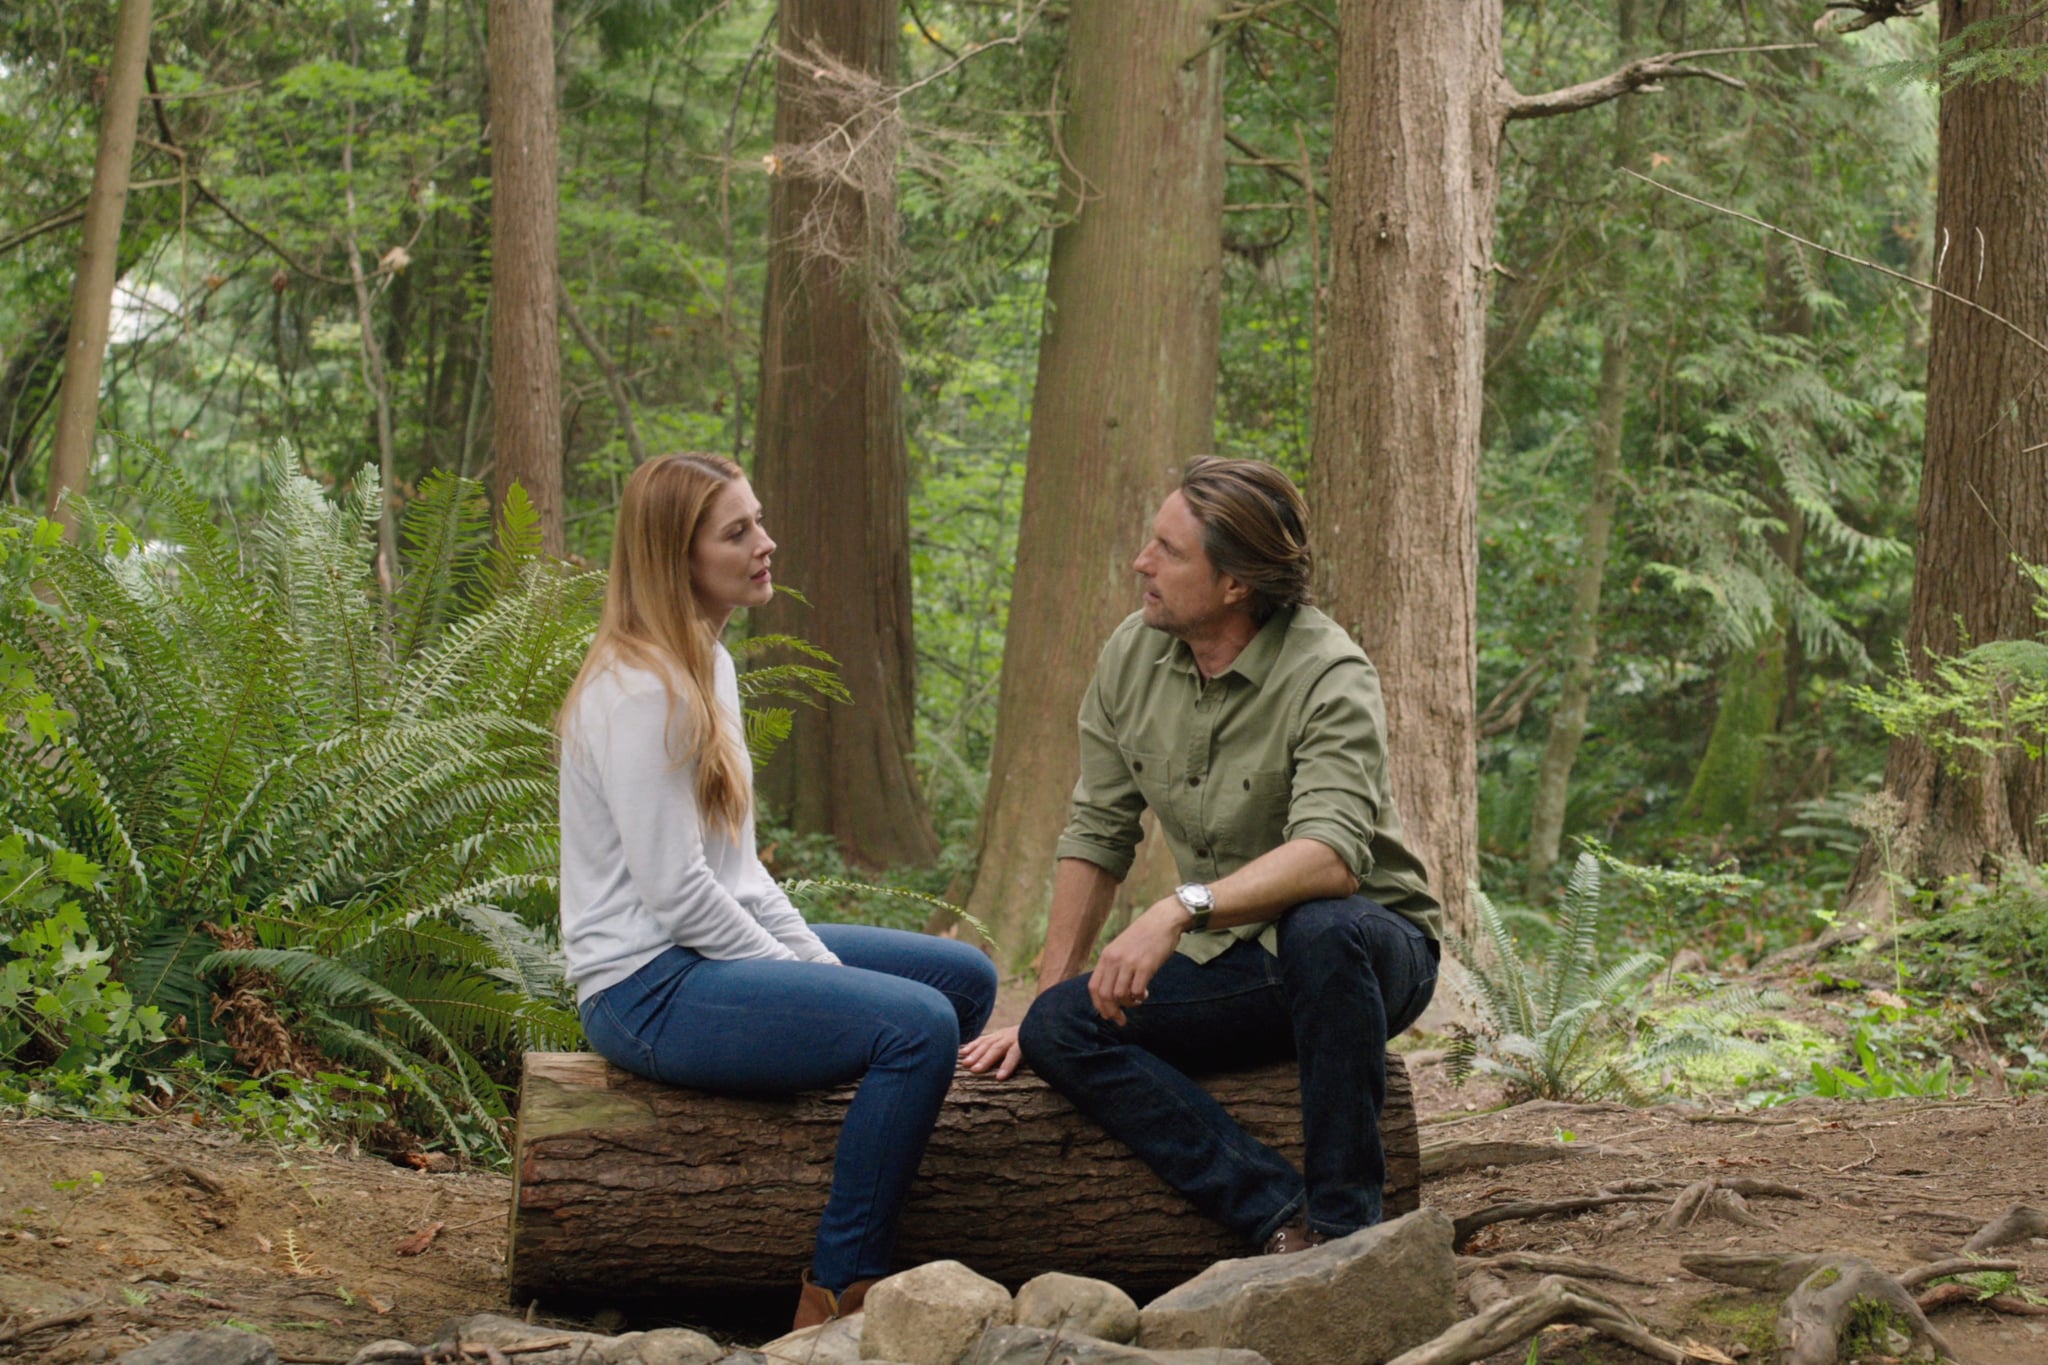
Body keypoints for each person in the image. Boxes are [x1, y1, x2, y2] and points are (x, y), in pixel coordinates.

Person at [557, 453, 998, 1330]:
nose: (767, 543)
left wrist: (818, 968)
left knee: (965, 980)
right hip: (644, 987)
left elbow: (739, 870)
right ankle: (838, 1292)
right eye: (738, 531)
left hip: (699, 956)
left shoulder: (706, 664)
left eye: (757, 521)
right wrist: (817, 986)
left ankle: (858, 1133)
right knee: (916, 1026)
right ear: (676, 557)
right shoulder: (638, 689)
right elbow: (678, 897)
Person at [961, 456, 1441, 1254]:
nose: (1141, 563)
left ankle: (1352, 1227)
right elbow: (1098, 829)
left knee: (1323, 927)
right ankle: (1280, 1218)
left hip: (1369, 951)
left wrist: (1180, 907)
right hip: (1241, 964)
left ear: (1235, 585)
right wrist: (1048, 999)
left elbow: (1330, 857)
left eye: (1168, 551)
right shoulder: (1131, 654)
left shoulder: (1330, 672)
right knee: (1060, 1028)